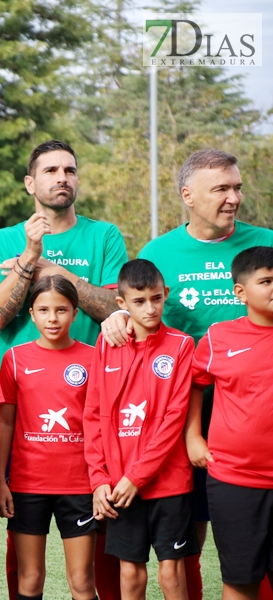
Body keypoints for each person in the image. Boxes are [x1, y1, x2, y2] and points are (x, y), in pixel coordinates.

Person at [102, 149, 273, 600]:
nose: (234, 197)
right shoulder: (160, 251)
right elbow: (137, 306)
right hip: (182, 423)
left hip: (256, 426)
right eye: (221, 188)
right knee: (187, 541)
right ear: (188, 196)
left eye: (236, 187)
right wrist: (113, 320)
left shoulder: (265, 244)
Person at [0, 140, 128, 600]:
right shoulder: (3, 240)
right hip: (22, 403)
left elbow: (112, 307)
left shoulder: (104, 236)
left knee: (91, 567)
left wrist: (53, 267)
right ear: (31, 183)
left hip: (88, 393)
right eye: (50, 170)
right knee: (24, 570)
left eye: (69, 169)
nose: (61, 177)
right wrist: (28, 258)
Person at [84, 259, 198, 600]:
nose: (150, 308)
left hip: (167, 481)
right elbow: (92, 414)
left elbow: (173, 418)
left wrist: (137, 476)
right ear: (121, 304)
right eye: (139, 301)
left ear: (165, 295)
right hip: (117, 482)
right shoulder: (107, 345)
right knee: (130, 571)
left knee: (171, 570)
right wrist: (99, 479)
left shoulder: (181, 345)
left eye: (156, 298)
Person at [0, 275, 98, 600]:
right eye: (44, 310)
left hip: (80, 486)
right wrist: (0, 481)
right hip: (28, 486)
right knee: (30, 579)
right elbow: (5, 424)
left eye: (61, 310)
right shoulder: (14, 359)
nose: (53, 318)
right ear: (32, 313)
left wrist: (101, 480)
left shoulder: (94, 357)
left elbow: (99, 424)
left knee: (81, 580)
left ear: (75, 313)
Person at [188, 246, 273, 600]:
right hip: (234, 480)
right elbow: (194, 384)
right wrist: (193, 434)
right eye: (267, 281)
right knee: (239, 582)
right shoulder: (218, 338)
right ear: (240, 292)